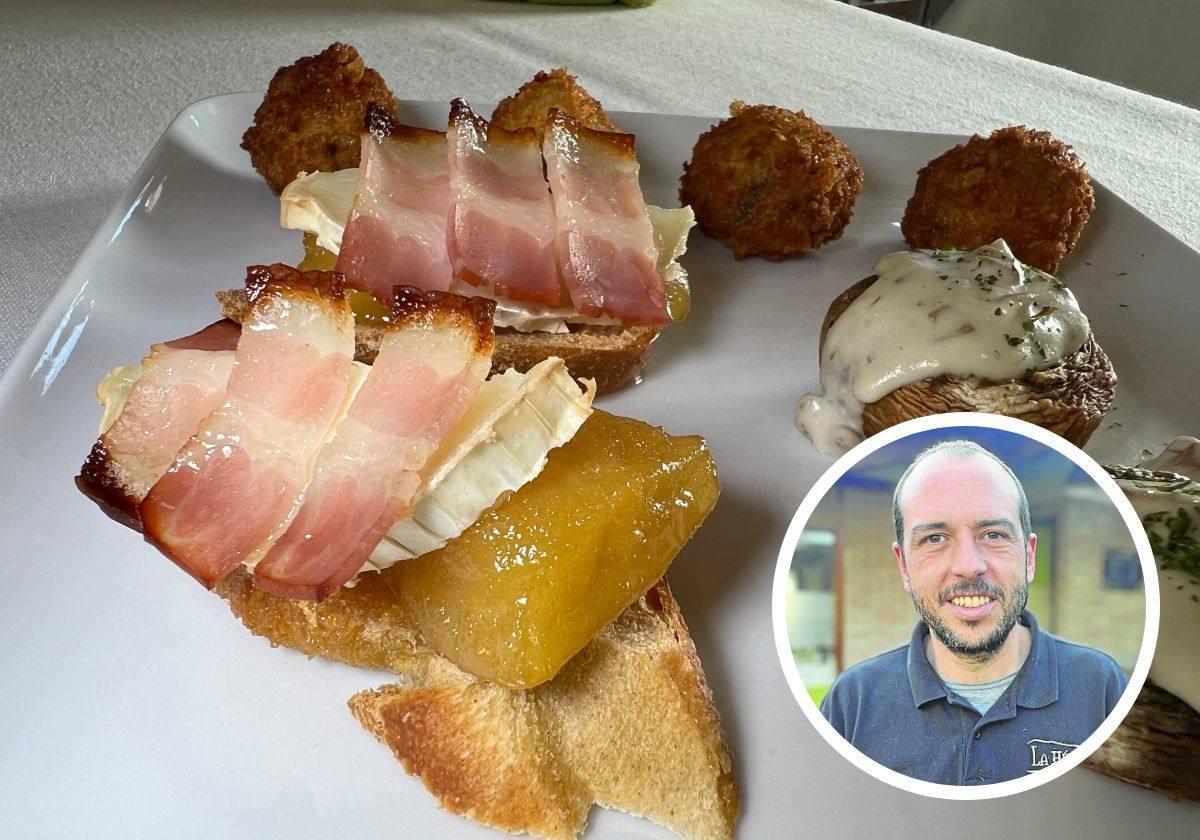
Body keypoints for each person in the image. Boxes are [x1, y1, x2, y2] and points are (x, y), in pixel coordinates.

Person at [820, 440, 1128, 785]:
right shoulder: (852, 703)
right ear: (904, 565)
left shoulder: (1102, 687)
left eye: (993, 534)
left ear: (1029, 556)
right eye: (935, 538)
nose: (968, 566)